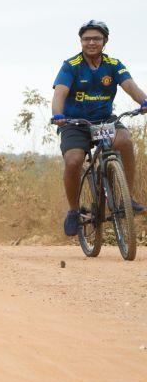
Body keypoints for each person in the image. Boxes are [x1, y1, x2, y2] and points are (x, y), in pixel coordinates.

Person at [51, 20, 147, 235]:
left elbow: (130, 86)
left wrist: (144, 101)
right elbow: (60, 92)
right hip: (74, 123)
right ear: (81, 41)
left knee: (125, 141)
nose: (91, 42)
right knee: (74, 160)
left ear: (105, 41)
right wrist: (57, 115)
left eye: (96, 39)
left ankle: (126, 199)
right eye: (87, 39)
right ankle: (74, 211)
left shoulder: (113, 64)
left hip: (104, 120)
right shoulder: (71, 65)